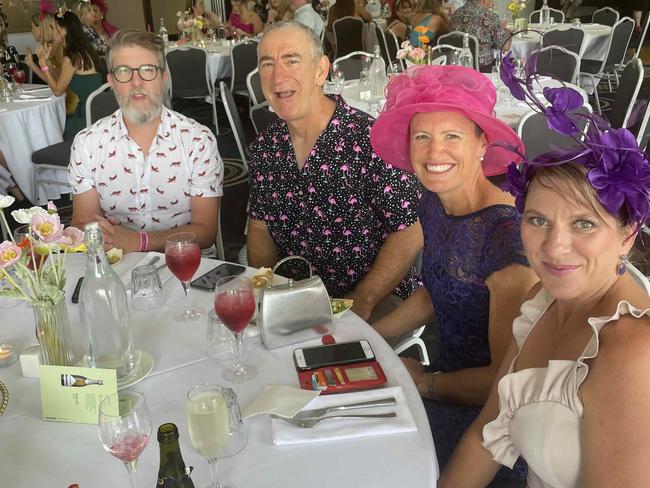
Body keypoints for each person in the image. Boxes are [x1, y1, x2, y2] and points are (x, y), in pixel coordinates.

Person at [439, 60, 650, 487]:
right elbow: (487, 432)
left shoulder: (632, 352)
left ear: (627, 235)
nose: (554, 248)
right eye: (537, 220)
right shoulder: (544, 301)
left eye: (584, 224)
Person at [369, 65, 538, 479]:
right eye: (422, 137)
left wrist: (424, 382)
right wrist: (370, 336)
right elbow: (435, 291)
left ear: (482, 144)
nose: (433, 152)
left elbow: (505, 383)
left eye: (452, 137)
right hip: (442, 384)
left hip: (492, 430)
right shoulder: (433, 200)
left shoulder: (506, 240)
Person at [250, 21, 423, 321]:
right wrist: (268, 292)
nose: (278, 77)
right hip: (295, 295)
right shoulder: (266, 147)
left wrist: (364, 299)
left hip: (374, 296)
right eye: (268, 64)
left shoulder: (369, 139)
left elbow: (410, 230)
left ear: (321, 70)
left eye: (292, 60)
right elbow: (260, 227)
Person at [68, 29, 222, 253]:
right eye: (123, 71)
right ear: (111, 80)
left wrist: (139, 241)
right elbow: (83, 224)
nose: (136, 82)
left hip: (185, 264)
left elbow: (206, 232)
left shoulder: (198, 141)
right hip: (118, 264)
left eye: (148, 70)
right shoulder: (87, 144)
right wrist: (101, 233)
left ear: (163, 77)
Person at [27, 9, 102, 139]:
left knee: (40, 126)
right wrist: (46, 62)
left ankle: (46, 157)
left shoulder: (71, 58)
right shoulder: (82, 52)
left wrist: (44, 65)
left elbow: (57, 91)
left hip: (84, 119)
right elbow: (60, 80)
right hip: (96, 113)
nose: (52, 32)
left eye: (53, 28)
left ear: (64, 31)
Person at [449, 0, 511, 72]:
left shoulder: (456, 14)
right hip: (482, 68)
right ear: (484, 0)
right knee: (511, 61)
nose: (492, 3)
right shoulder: (490, 16)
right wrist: (507, 31)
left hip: (457, 66)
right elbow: (505, 46)